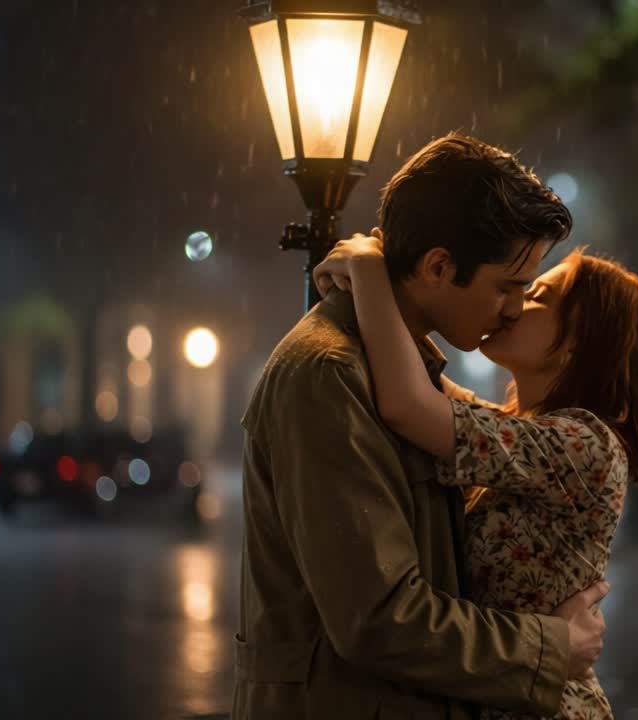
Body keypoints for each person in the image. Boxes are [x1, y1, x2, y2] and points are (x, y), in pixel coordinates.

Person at [232, 133, 610, 719]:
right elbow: (380, 617)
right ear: (438, 266)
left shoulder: (401, 370)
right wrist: (549, 646)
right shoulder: (330, 375)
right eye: (507, 287)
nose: (513, 307)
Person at [314, 234, 638, 718]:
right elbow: (419, 382)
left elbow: (408, 403)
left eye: (539, 297)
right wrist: (390, 281)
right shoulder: (520, 429)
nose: (515, 304)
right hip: (507, 692)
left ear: (583, 342)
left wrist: (371, 271)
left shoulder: (584, 446)